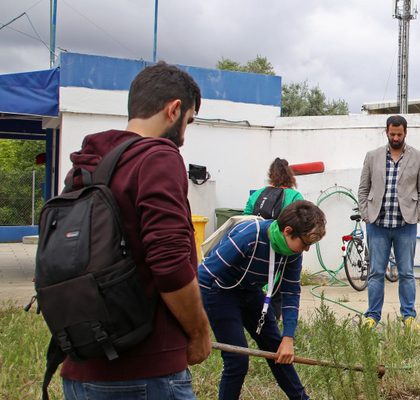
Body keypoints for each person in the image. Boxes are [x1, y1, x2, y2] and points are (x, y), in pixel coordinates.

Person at [60, 62, 211, 399]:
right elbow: (170, 265)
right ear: (174, 109)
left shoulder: (86, 166)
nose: (183, 137)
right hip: (145, 373)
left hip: (80, 370)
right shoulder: (158, 157)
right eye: (187, 121)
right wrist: (199, 331)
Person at [198, 200, 326, 400]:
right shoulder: (249, 236)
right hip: (221, 292)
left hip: (251, 293)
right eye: (306, 243)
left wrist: (288, 338)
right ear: (287, 231)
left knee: (279, 351)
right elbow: (203, 277)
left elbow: (291, 291)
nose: (306, 250)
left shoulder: (292, 252)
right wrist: (197, 327)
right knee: (237, 359)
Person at [357, 115, 420, 329]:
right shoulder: (372, 156)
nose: (395, 137)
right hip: (377, 224)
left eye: (399, 134)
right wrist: (365, 213)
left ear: (405, 133)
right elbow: (363, 188)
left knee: (406, 273)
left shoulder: (419, 157)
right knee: (376, 272)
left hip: (405, 225)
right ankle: (372, 316)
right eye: (392, 134)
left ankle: (408, 316)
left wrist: (417, 215)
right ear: (386, 132)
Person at [243, 157, 305, 321]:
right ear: (290, 176)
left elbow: (245, 220)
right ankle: (273, 322)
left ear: (271, 175)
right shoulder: (294, 196)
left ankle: (256, 321)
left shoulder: (257, 194)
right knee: (279, 293)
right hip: (282, 254)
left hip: (256, 252)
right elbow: (302, 222)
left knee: (255, 291)